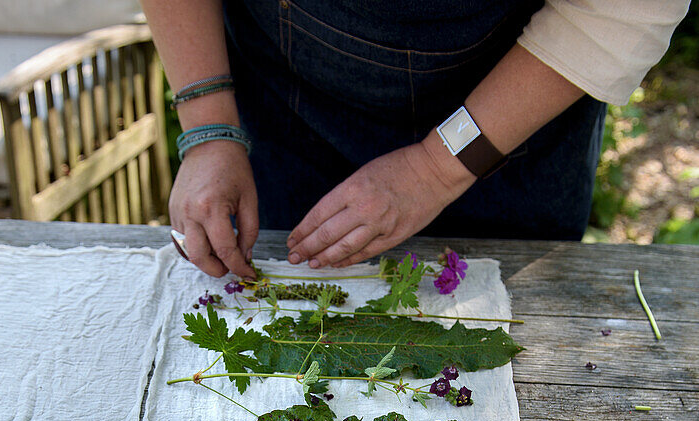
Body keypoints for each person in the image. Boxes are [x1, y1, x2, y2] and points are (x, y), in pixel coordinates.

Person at [141, 1, 690, 279]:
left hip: (509, 121)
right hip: (288, 108)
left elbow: (623, 8)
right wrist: (208, 126)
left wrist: (435, 168)